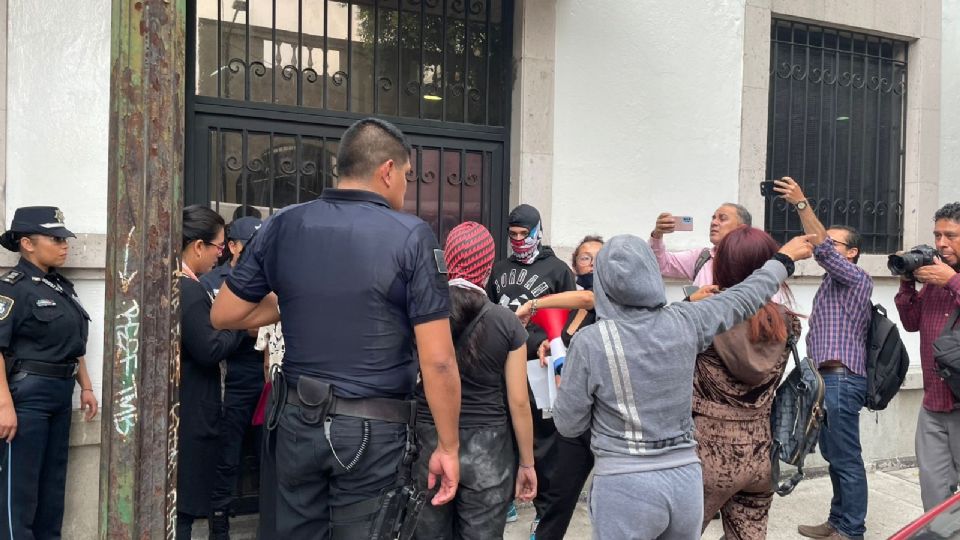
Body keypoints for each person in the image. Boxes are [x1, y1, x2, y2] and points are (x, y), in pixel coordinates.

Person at [210, 117, 462, 538]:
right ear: (386, 170)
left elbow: (224, 314)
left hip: (294, 423)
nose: (405, 186)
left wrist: (293, 302)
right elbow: (438, 362)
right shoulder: (412, 235)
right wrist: (449, 448)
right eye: (406, 175)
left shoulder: (283, 224)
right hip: (372, 431)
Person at [553, 232, 814, 540]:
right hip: (685, 480)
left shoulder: (590, 342)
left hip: (626, 484)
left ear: (602, 282)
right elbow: (745, 297)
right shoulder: (686, 320)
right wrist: (782, 260)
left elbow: (569, 424)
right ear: (652, 273)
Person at [413, 221, 536, 540]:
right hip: (489, 450)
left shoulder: (423, 313)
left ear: (448, 258)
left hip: (430, 441)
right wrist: (527, 462)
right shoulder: (506, 322)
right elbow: (519, 401)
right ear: (487, 265)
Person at [773, 177, 874, 540]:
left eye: (834, 243)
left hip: (842, 380)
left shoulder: (857, 278)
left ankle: (852, 529)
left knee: (846, 457)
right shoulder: (833, 284)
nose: (824, 246)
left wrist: (802, 204)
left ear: (851, 253)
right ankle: (838, 521)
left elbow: (822, 251)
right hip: (826, 380)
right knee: (834, 456)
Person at [690, 226, 800, 539]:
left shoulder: (703, 319)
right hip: (761, 451)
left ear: (722, 266)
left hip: (705, 451)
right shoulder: (789, 322)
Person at [0, 206, 98, 539]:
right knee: (20, 491)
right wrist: (4, 406)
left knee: (52, 489)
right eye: (55, 239)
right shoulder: (12, 288)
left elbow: (73, 342)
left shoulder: (59, 286)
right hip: (27, 397)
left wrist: (86, 386)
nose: (64, 245)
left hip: (60, 391)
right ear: (27, 243)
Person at [486, 204, 575, 528]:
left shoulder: (558, 269)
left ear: (538, 231)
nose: (520, 240)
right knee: (506, 431)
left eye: (525, 234)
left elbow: (573, 312)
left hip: (541, 364)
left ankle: (544, 511)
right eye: (514, 235)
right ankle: (507, 498)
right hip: (503, 363)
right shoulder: (498, 270)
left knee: (545, 439)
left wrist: (558, 345)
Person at [523, 236, 603, 540]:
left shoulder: (602, 300)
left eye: (598, 257)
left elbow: (588, 299)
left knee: (607, 502)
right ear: (574, 265)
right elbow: (562, 341)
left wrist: (532, 304)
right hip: (573, 417)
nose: (592, 263)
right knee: (559, 497)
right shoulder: (571, 308)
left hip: (602, 417)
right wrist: (548, 345)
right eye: (585, 257)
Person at [176, 205, 248, 539]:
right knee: (183, 509)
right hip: (191, 407)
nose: (220, 255)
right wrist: (234, 325)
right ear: (197, 246)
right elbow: (209, 349)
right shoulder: (188, 289)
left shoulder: (186, 284)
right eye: (218, 247)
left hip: (188, 405)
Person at [200, 216, 263, 539]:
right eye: (250, 245)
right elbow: (215, 329)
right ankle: (219, 525)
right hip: (231, 379)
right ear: (233, 246)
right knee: (227, 457)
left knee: (269, 456)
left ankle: (269, 523)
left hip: (265, 378)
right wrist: (247, 326)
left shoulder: (270, 276)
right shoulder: (213, 281)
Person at [895, 202, 960, 511]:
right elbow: (910, 322)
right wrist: (908, 281)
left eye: (951, 236)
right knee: (935, 501)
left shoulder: (946, 279)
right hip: (934, 405)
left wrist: (951, 280)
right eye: (937, 235)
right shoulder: (934, 283)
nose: (941, 244)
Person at [649, 203, 752, 299]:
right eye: (713, 218)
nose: (714, 222)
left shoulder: (754, 261)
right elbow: (661, 265)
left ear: (741, 228)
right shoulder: (702, 257)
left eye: (722, 219)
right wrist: (657, 235)